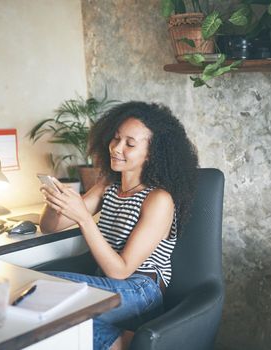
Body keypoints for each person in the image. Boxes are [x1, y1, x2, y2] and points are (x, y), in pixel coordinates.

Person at [39, 101, 198, 350]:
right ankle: (125, 342)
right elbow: (50, 227)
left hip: (142, 290)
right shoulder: (108, 186)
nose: (116, 148)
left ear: (152, 153)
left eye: (130, 144)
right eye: (116, 139)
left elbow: (121, 270)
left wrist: (83, 217)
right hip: (111, 285)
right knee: (47, 303)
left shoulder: (159, 199)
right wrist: (56, 200)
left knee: (42, 287)